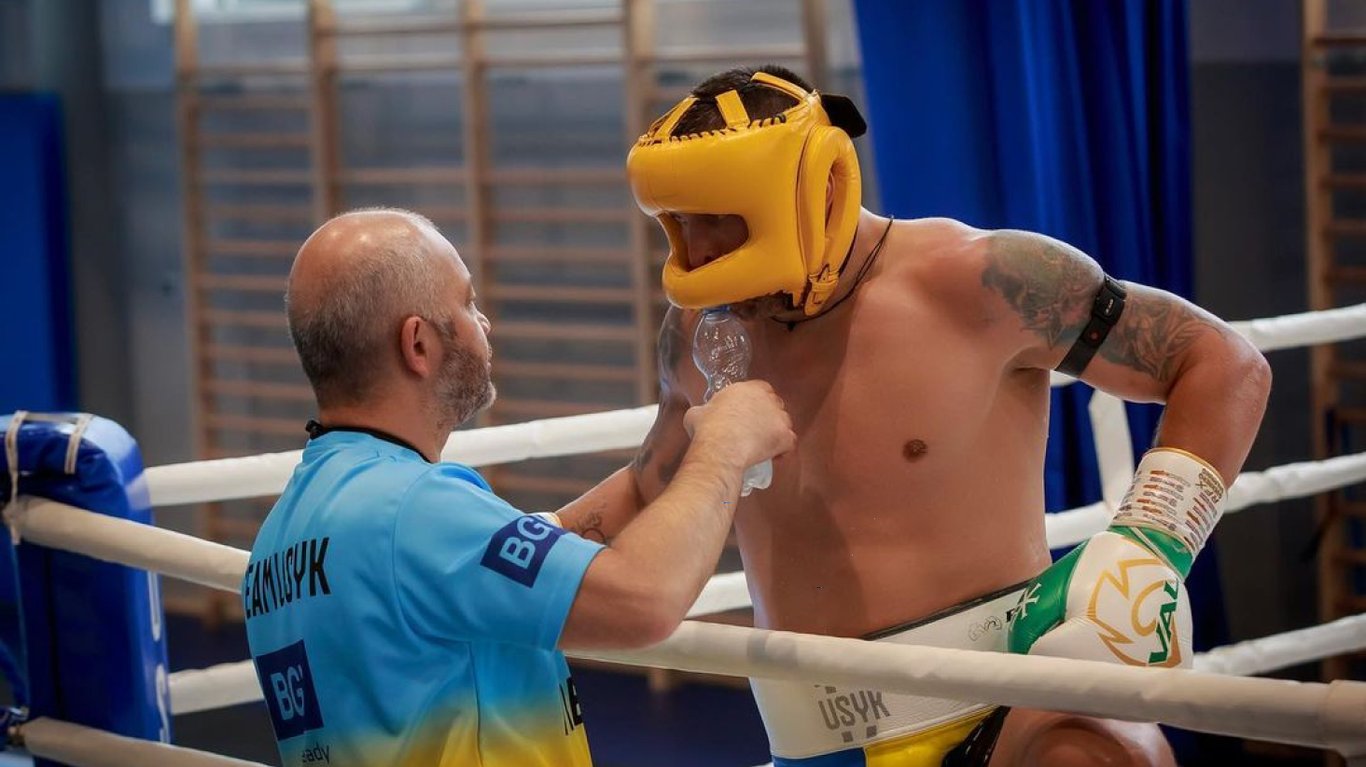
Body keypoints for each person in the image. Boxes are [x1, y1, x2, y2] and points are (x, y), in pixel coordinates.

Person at [555, 65, 1272, 766]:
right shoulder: (702, 333)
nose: (699, 250)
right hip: (814, 741)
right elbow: (652, 485)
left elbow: (1222, 362)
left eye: (719, 218)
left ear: (815, 188)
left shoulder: (982, 279)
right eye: (680, 221)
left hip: (1006, 704)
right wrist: (511, 550)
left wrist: (1151, 544)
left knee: (1099, 757)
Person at [242, 208, 795, 767]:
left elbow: (555, 539)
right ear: (418, 344)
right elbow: (645, 601)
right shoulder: (414, 509)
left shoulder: (288, 530)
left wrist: (681, 405)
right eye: (467, 303)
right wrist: (724, 449)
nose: (484, 324)